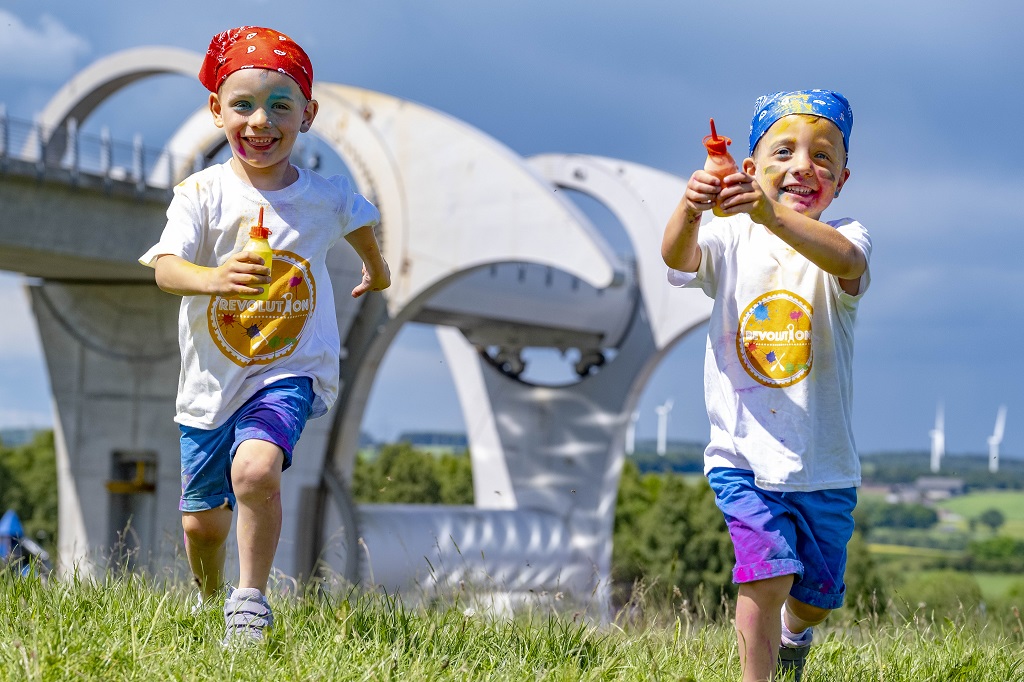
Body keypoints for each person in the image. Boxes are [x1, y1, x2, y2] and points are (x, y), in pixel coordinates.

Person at [139, 26, 390, 644]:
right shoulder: (200, 194)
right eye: (243, 104)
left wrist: (377, 270)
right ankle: (210, 599)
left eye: (281, 105)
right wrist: (215, 277)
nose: (261, 120)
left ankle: (250, 604)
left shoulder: (323, 195)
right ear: (215, 111)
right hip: (209, 380)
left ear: (307, 115)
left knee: (255, 472)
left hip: (288, 369)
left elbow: (358, 220)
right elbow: (167, 268)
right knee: (202, 524)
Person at [661, 90, 870, 681]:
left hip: (822, 463)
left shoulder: (847, 237)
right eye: (785, 151)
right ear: (749, 169)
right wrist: (690, 207)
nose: (806, 166)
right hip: (743, 454)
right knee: (768, 572)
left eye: (824, 157)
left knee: (816, 599)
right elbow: (676, 258)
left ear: (843, 179)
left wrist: (770, 215)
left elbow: (849, 264)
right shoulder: (729, 242)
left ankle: (794, 633)